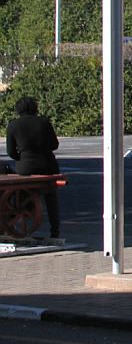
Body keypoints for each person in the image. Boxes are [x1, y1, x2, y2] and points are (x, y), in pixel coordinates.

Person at [5, 96, 61, 239]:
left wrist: (22, 158)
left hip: (26, 168)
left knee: (19, 192)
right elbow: (55, 145)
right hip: (48, 166)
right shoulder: (44, 122)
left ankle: (14, 219)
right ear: (35, 108)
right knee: (51, 200)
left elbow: (11, 152)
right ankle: (55, 231)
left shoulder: (13, 126)